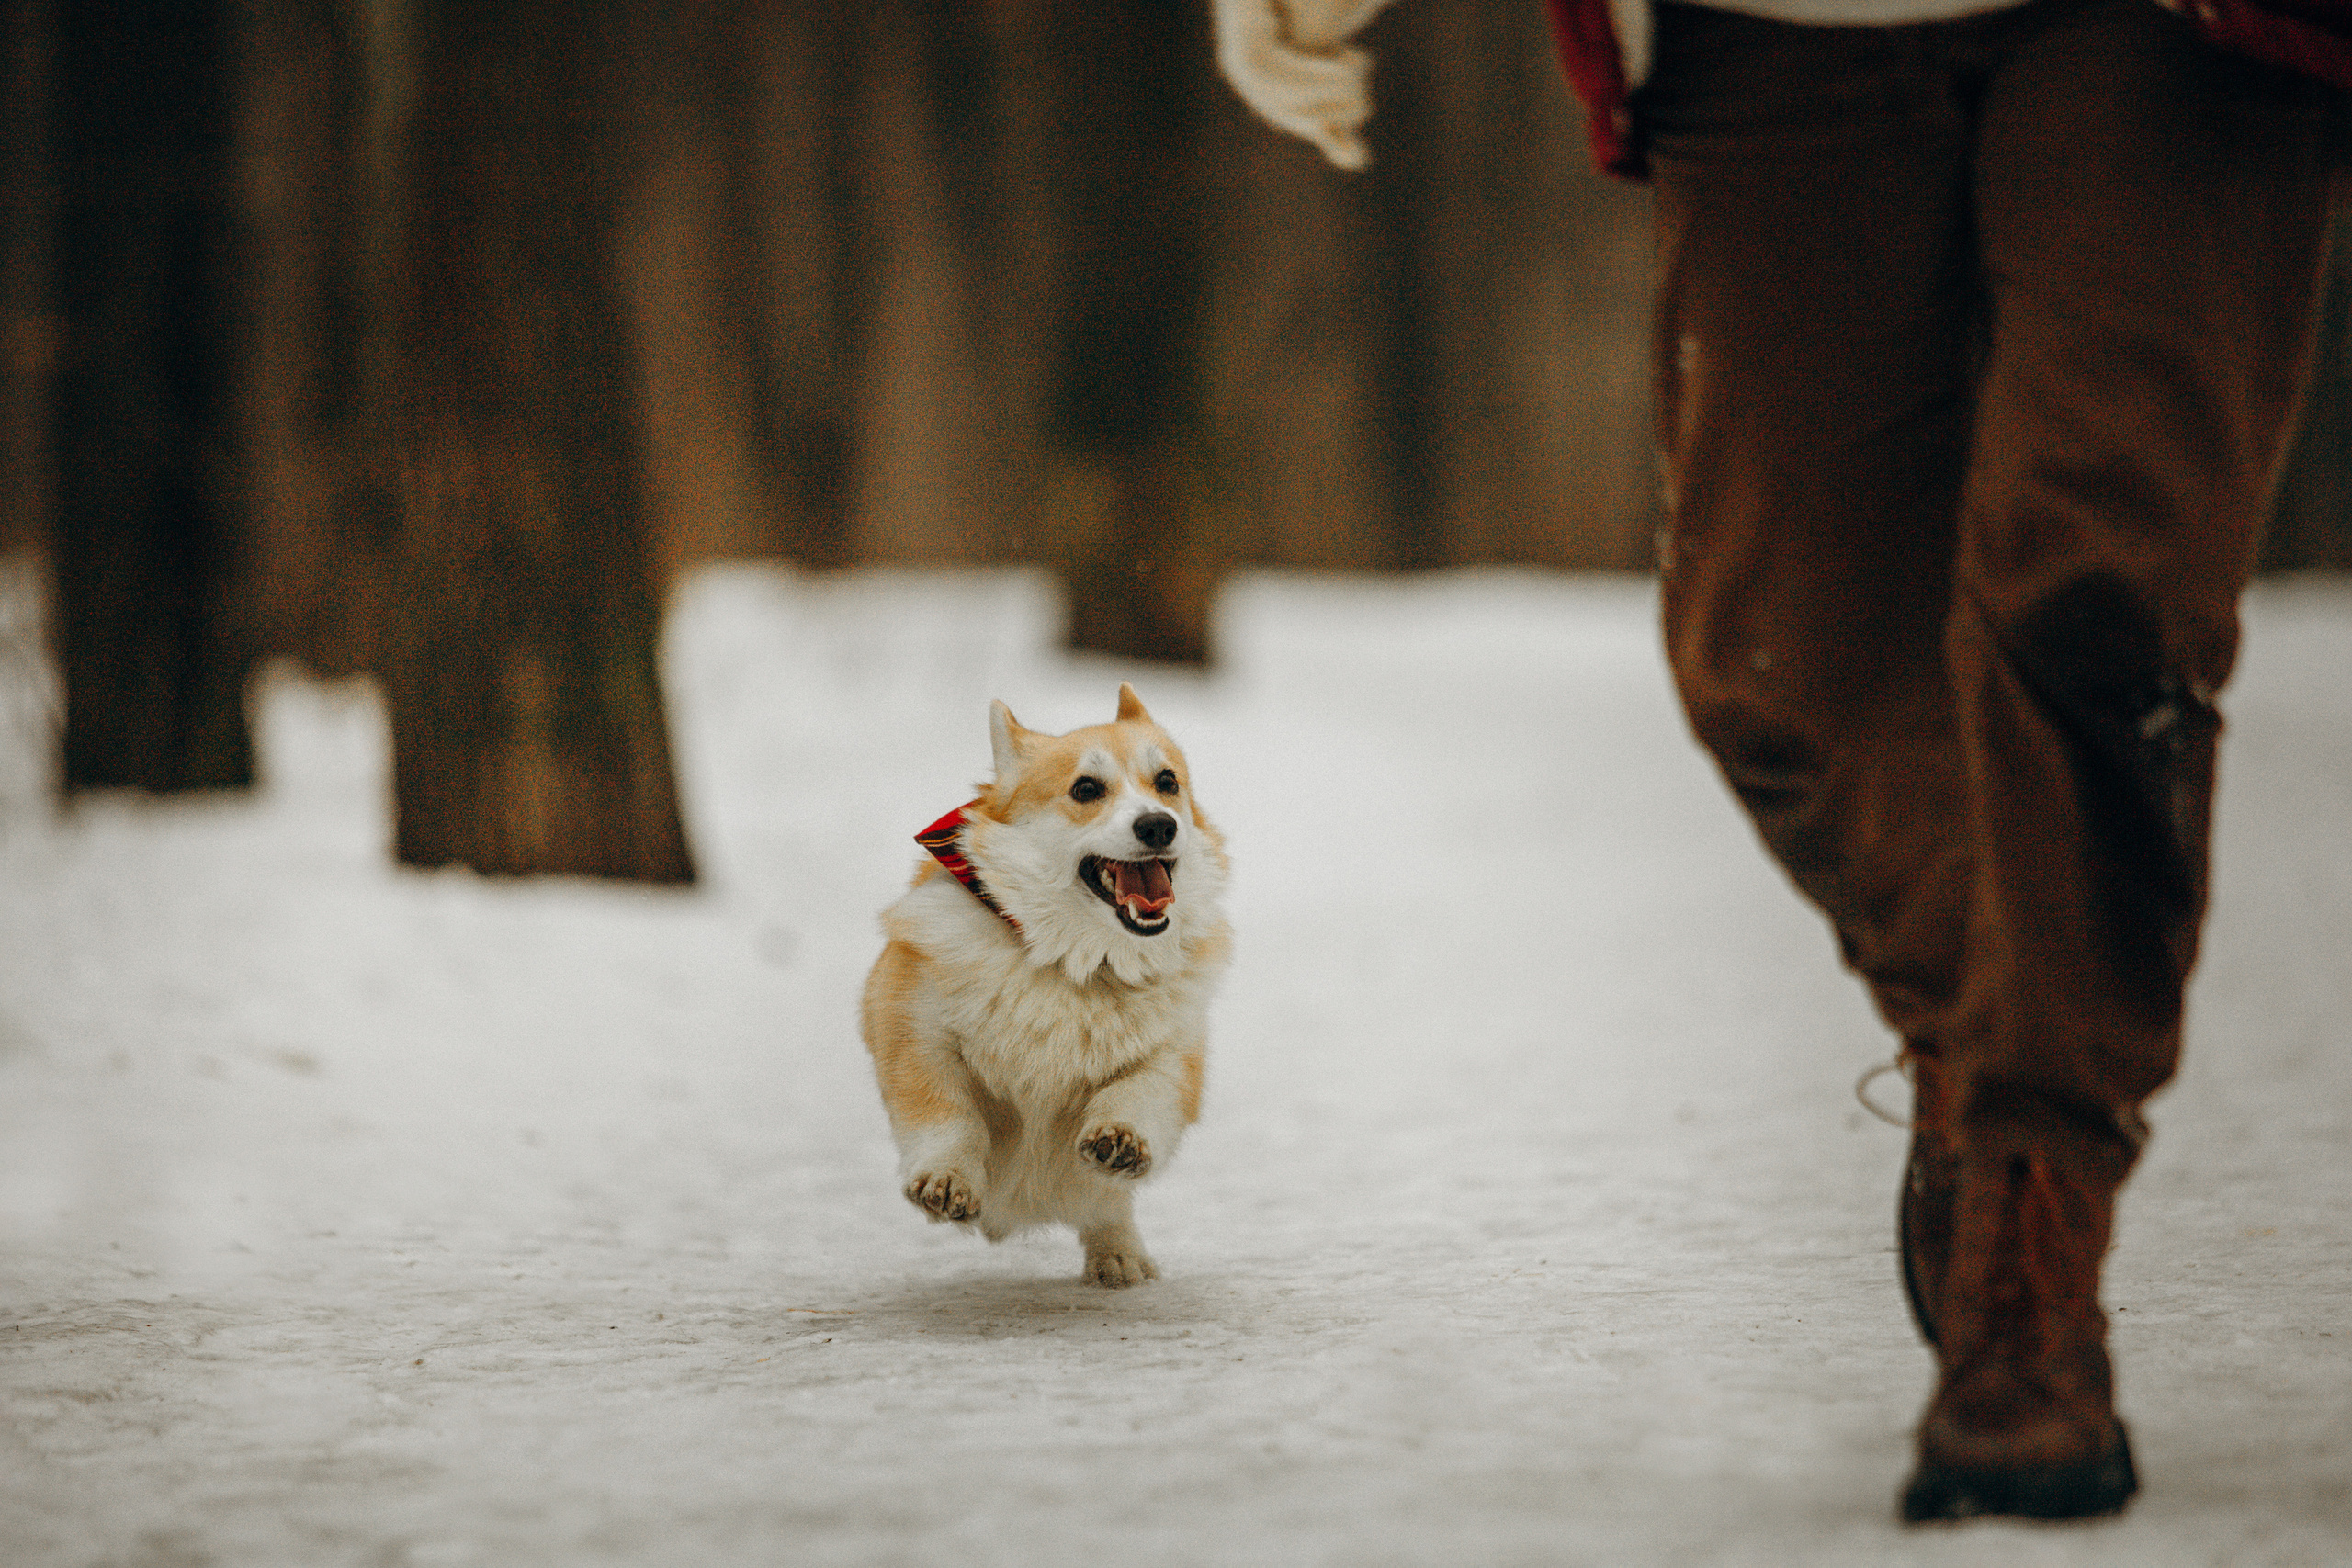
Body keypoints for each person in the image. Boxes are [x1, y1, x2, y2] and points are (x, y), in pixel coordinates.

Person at [1214, 0, 2342, 1523]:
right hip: (1775, 33)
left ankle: (2032, 1226)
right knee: (1778, 654)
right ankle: (1992, 1037)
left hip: (2164, 31)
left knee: (2098, 592)